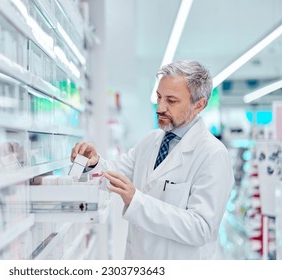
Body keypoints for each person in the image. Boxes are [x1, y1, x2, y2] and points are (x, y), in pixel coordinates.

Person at [70, 60, 234, 259]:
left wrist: (137, 201)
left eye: (171, 101)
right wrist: (93, 163)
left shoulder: (213, 155)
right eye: (159, 97)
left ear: (199, 104)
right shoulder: (150, 142)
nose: (160, 107)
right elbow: (114, 175)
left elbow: (201, 228)